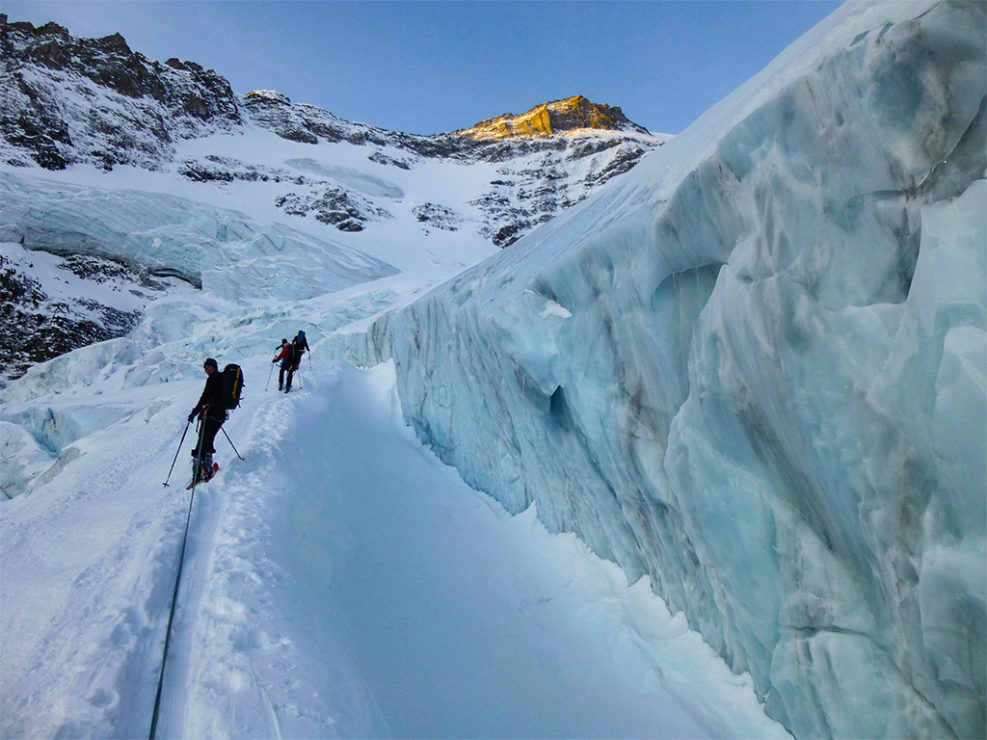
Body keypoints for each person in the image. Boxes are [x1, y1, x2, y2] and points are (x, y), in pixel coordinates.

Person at [187, 357, 226, 482]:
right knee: (209, 439)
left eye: (209, 367)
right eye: (205, 368)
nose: (207, 370)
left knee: (202, 440)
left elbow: (205, 397)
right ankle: (207, 467)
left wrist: (195, 411)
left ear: (214, 368)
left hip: (211, 413)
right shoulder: (223, 378)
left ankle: (198, 471)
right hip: (221, 415)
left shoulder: (212, 379)